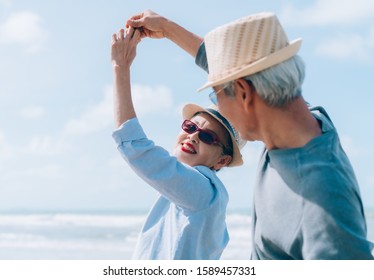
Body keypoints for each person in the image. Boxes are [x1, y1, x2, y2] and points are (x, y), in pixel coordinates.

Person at [126, 10, 374, 259]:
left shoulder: (320, 200)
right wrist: (167, 28)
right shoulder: (304, 120)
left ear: (244, 93)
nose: (218, 108)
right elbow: (234, 70)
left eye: (216, 95)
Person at [110, 26, 245, 259]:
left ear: (222, 160)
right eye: (190, 127)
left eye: (207, 137)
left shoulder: (205, 192)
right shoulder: (188, 191)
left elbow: (137, 148)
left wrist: (120, 68)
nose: (193, 136)